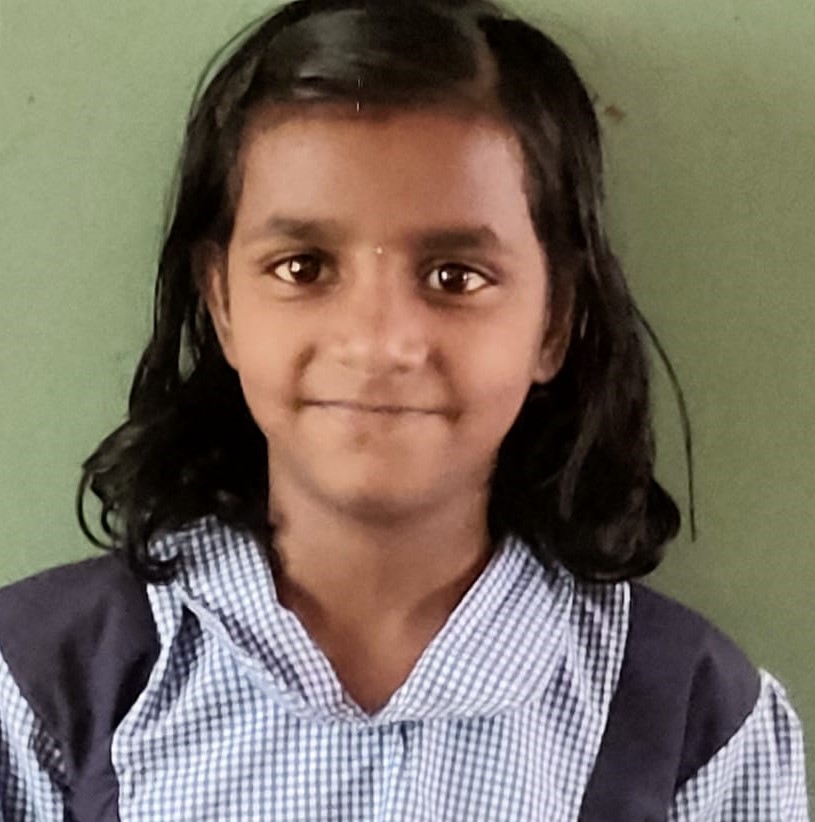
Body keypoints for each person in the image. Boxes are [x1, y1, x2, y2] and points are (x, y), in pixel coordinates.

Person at [0, 0, 807, 819]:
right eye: (303, 267)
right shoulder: (40, 686)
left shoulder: (692, 722)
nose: (377, 342)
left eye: (455, 276)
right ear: (222, 301)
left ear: (554, 321)